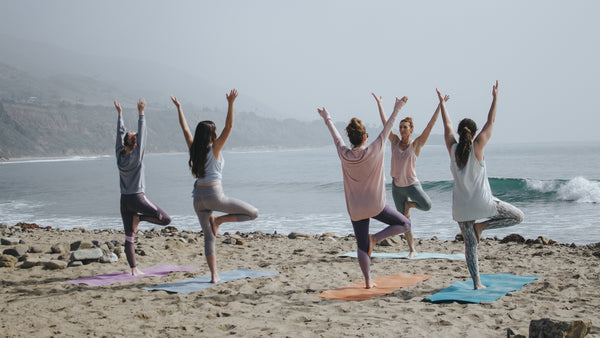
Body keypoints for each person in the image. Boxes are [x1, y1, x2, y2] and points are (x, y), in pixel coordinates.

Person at [318, 96, 411, 289]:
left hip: (356, 209)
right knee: (405, 224)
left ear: (351, 139)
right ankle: (376, 238)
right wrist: (398, 107)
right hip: (376, 205)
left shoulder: (343, 153)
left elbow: (335, 136)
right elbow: (388, 127)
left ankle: (368, 282)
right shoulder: (374, 149)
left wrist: (327, 118)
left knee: (361, 246)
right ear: (365, 137)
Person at [437, 81, 524, 289]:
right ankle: (483, 226)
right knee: (518, 217)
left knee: (470, 245)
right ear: (474, 134)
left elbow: (446, 126)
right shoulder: (478, 146)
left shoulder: (452, 148)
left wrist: (442, 104)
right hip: (484, 204)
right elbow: (491, 121)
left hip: (461, 208)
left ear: (459, 134)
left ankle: (477, 283)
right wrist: (495, 98)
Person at [170, 89, 258, 284]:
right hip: (214, 195)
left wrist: (179, 108)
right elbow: (229, 126)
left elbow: (185, 130)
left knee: (208, 238)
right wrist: (231, 103)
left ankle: (214, 275)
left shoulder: (194, 149)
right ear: (212, 134)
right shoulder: (215, 148)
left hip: (197, 198)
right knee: (253, 213)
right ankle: (219, 220)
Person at [372, 93, 449, 258]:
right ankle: (412, 249)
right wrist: (379, 103)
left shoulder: (417, 144)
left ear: (411, 129)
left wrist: (440, 105)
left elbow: (431, 124)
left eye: (405, 127)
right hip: (397, 188)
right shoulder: (393, 142)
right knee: (405, 223)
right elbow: (387, 124)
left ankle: (410, 205)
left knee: (427, 205)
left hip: (413, 185)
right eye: (400, 127)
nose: (401, 130)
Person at [115, 98, 171, 276]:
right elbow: (143, 133)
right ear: (135, 144)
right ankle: (140, 219)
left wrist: (120, 115)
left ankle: (134, 270)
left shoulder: (119, 155)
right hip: (138, 199)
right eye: (135, 137)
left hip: (124, 200)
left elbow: (119, 134)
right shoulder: (137, 156)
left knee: (129, 236)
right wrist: (141, 113)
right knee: (165, 220)